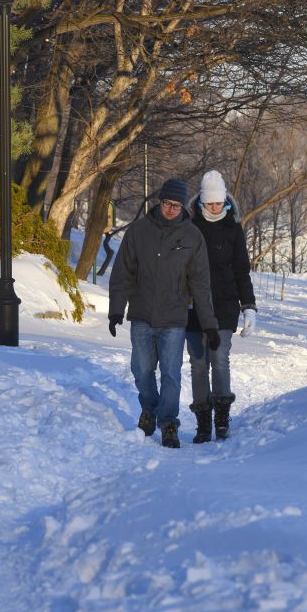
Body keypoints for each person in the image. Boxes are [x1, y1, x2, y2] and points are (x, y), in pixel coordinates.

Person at [108, 178, 220, 449]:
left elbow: (201, 285)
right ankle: (149, 409)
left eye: (177, 205)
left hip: (174, 318)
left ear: (183, 206)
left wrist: (210, 325)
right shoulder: (139, 231)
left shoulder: (192, 237)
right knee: (142, 370)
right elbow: (123, 273)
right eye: (168, 204)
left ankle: (168, 422)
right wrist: (115, 311)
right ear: (159, 202)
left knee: (171, 374)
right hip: (142, 314)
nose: (172, 209)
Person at [185, 170, 257, 443]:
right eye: (210, 203)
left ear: (225, 201)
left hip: (225, 304)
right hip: (193, 306)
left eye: (219, 203)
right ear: (202, 203)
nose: (215, 208)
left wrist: (248, 305)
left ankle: (222, 417)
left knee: (220, 359)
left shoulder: (233, 228)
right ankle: (203, 420)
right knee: (198, 364)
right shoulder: (189, 227)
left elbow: (242, 269)